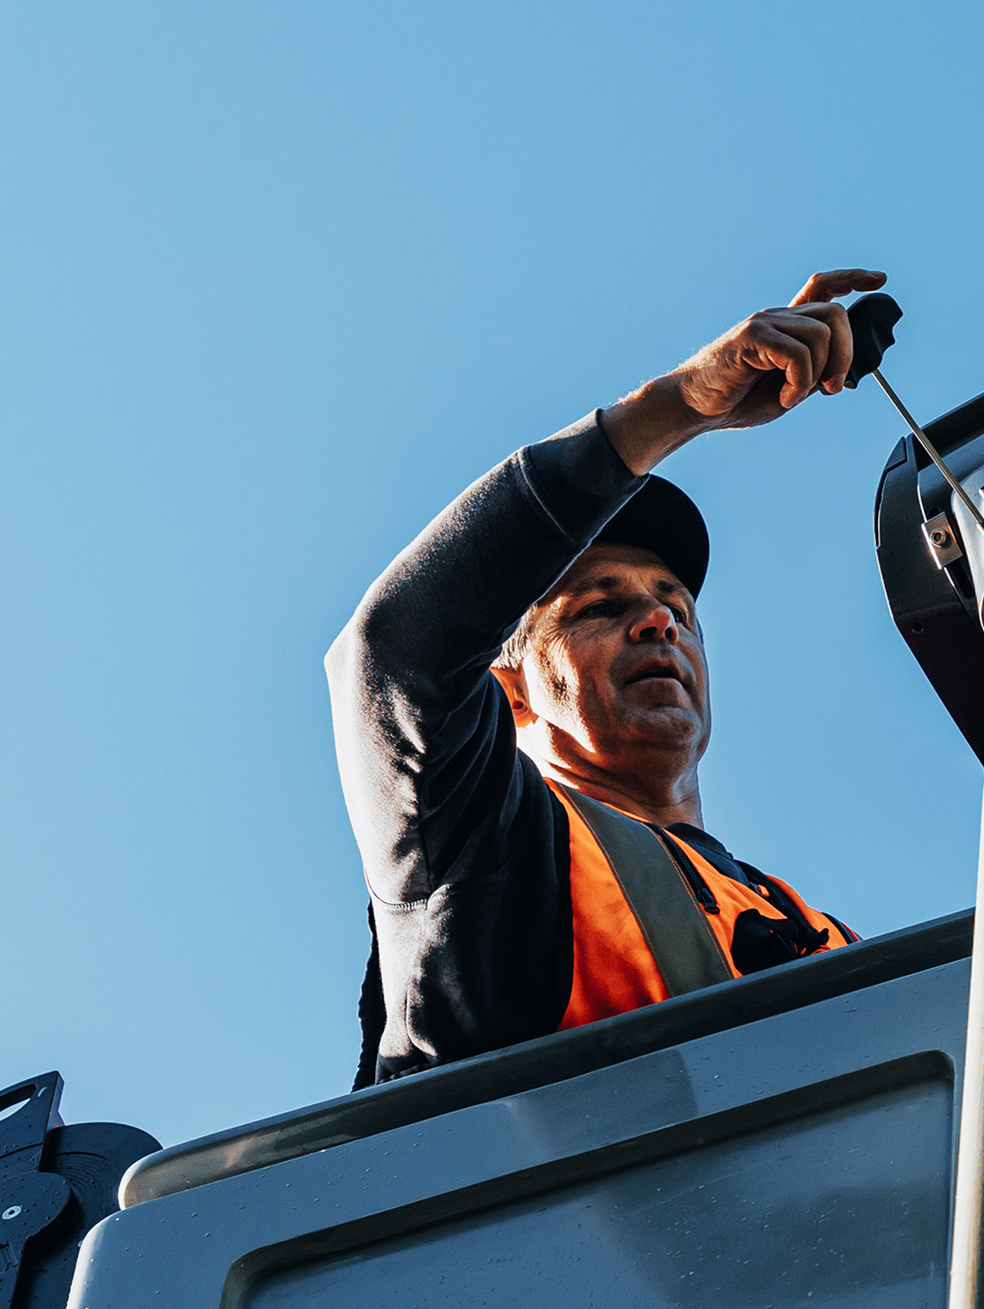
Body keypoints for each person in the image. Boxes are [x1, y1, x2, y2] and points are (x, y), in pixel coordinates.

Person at [329, 268, 886, 1087]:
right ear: (512, 689)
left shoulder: (827, 937)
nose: (658, 619)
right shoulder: (489, 846)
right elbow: (393, 652)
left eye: (676, 606)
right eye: (599, 606)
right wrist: (679, 407)